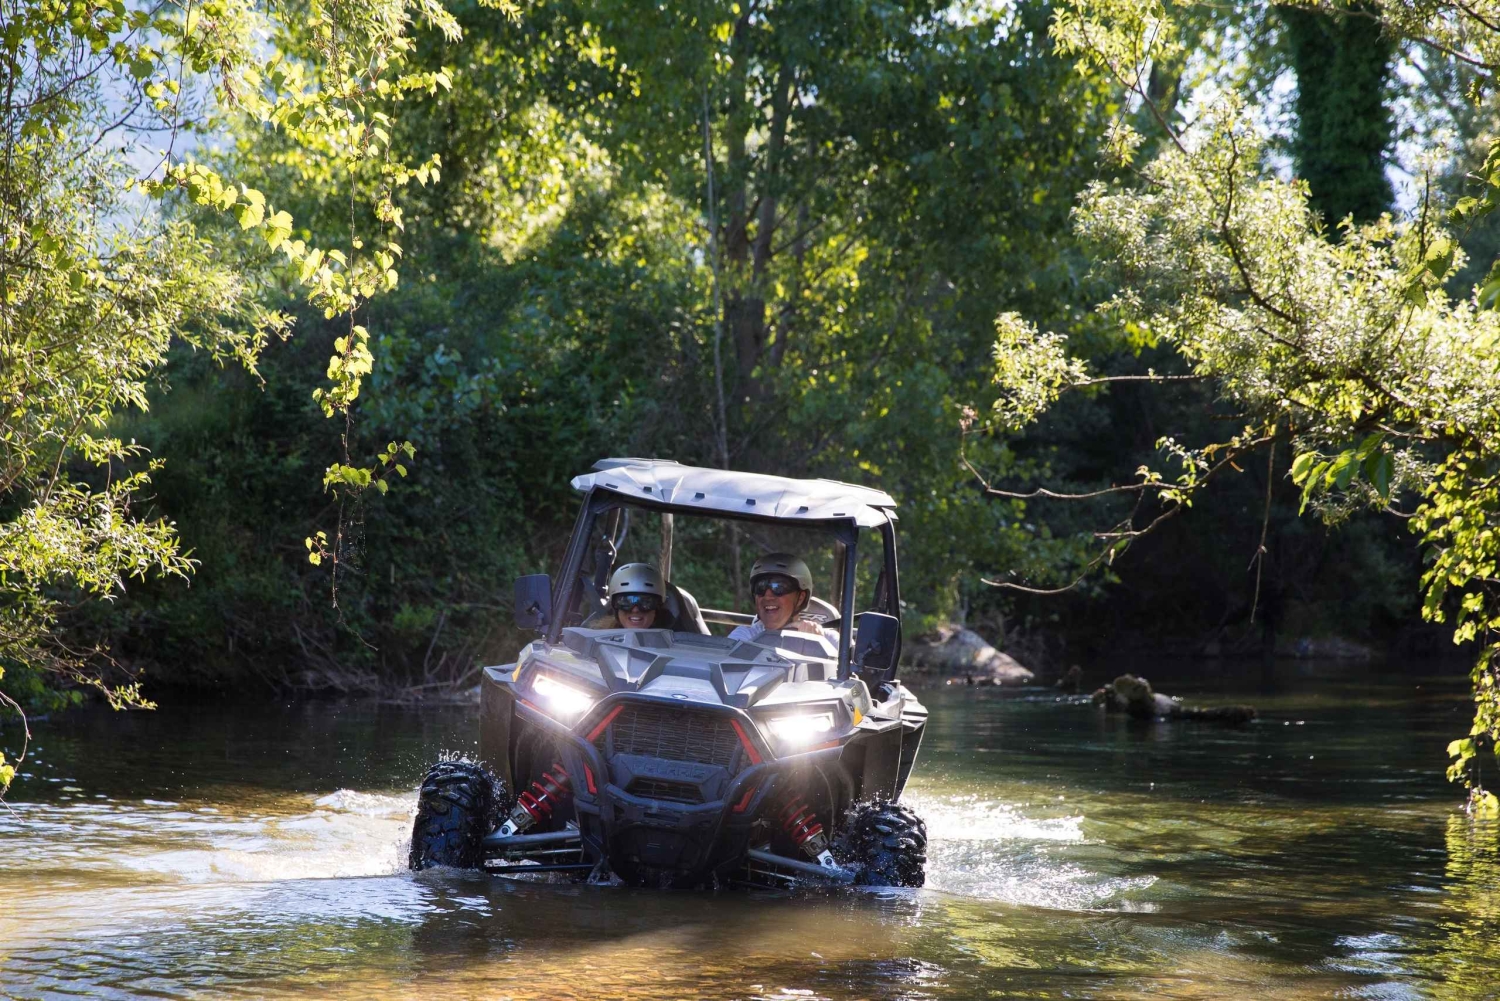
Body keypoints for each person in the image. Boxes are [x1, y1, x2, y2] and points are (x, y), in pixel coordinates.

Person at [728, 553, 838, 648]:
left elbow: (848, 670)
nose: (767, 596)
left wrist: (818, 646)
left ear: (800, 598)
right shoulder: (743, 637)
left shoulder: (829, 640)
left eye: (778, 587)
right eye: (760, 587)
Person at [587, 562, 674, 630]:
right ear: (614, 605)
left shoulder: (676, 643)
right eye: (626, 601)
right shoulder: (598, 638)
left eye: (645, 602)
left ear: (658, 607)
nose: (635, 609)